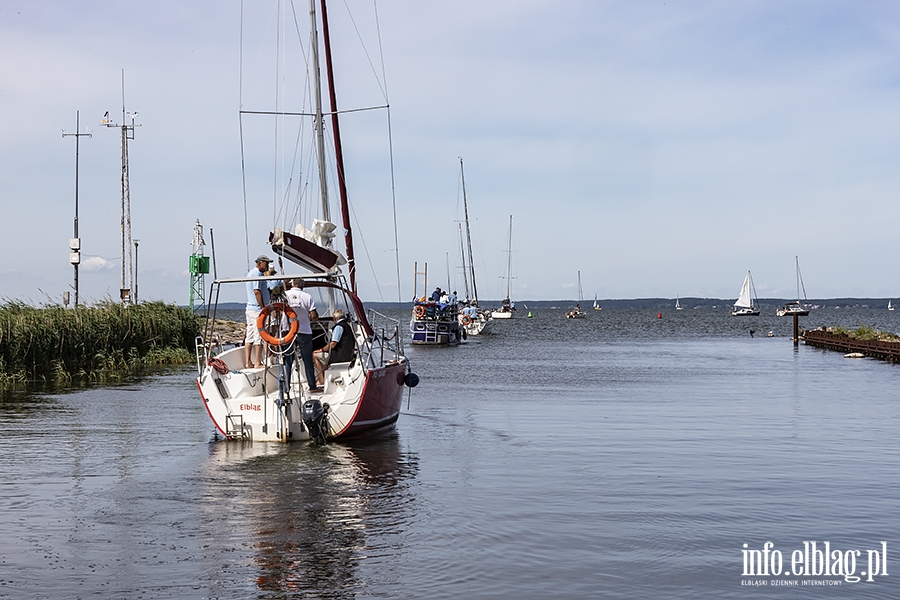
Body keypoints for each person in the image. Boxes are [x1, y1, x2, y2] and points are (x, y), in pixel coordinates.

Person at [285, 278, 320, 392]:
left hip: (287, 331)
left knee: (287, 360)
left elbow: (276, 314)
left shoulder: (284, 295)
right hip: (304, 331)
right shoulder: (307, 297)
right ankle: (312, 386)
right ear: (302, 285)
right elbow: (314, 316)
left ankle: (286, 388)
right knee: (307, 360)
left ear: (291, 284)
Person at [313, 309, 354, 387]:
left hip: (339, 357)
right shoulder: (347, 326)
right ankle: (325, 377)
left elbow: (333, 344)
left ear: (335, 318)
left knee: (315, 355)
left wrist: (321, 350)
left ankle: (321, 380)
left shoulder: (338, 327)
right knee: (324, 357)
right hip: (346, 355)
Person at [245, 255, 272, 369]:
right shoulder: (257, 274)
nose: (268, 266)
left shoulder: (251, 273)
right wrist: (263, 308)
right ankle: (257, 362)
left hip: (250, 308)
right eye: (266, 263)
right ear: (260, 263)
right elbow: (257, 291)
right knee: (258, 335)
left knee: (249, 335)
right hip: (256, 309)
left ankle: (248, 362)